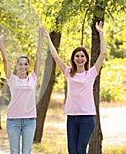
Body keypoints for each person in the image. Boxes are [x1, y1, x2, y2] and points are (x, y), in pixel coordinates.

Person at [42, 21, 106, 154]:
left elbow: (103, 54)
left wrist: (101, 33)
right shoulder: (68, 72)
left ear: (86, 59)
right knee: (72, 151)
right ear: (73, 59)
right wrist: (47, 37)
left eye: (82, 56)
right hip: (72, 117)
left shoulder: (92, 73)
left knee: (80, 150)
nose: (80, 58)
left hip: (87, 118)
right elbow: (55, 56)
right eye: (77, 56)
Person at [0, 28, 43, 154]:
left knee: (27, 151)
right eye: (20, 64)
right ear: (17, 66)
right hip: (13, 120)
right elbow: (5, 60)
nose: (23, 66)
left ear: (28, 66)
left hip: (30, 120)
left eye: (25, 64)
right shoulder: (12, 79)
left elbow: (38, 57)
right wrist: (1, 43)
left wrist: (40, 38)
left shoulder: (33, 78)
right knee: (14, 151)